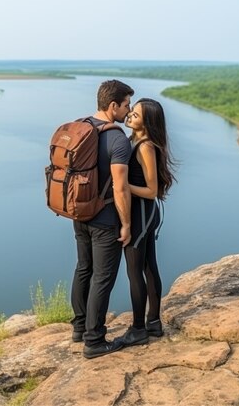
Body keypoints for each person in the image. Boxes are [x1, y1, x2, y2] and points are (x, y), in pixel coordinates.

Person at [70, 80, 134, 359]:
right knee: (103, 277)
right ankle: (94, 341)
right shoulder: (117, 138)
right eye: (126, 105)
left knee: (83, 268)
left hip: (79, 212)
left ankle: (79, 327)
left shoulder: (81, 126)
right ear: (113, 106)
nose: (128, 111)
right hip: (105, 218)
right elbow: (120, 187)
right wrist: (127, 224)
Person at [117, 98, 176, 347]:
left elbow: (151, 190)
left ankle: (139, 328)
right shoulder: (134, 141)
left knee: (135, 271)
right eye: (131, 110)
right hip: (145, 213)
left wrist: (120, 186)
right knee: (149, 267)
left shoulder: (145, 147)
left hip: (142, 213)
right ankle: (153, 323)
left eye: (137, 115)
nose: (130, 115)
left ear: (148, 122)